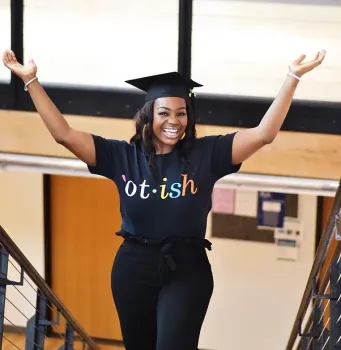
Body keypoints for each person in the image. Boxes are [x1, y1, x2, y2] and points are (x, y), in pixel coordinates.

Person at [2, 49, 326, 350]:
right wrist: (31, 81)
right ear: (148, 115)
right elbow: (64, 135)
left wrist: (292, 78)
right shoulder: (121, 156)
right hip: (132, 268)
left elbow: (263, 134)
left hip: (187, 268)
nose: (174, 121)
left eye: (181, 113)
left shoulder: (207, 155)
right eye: (164, 113)